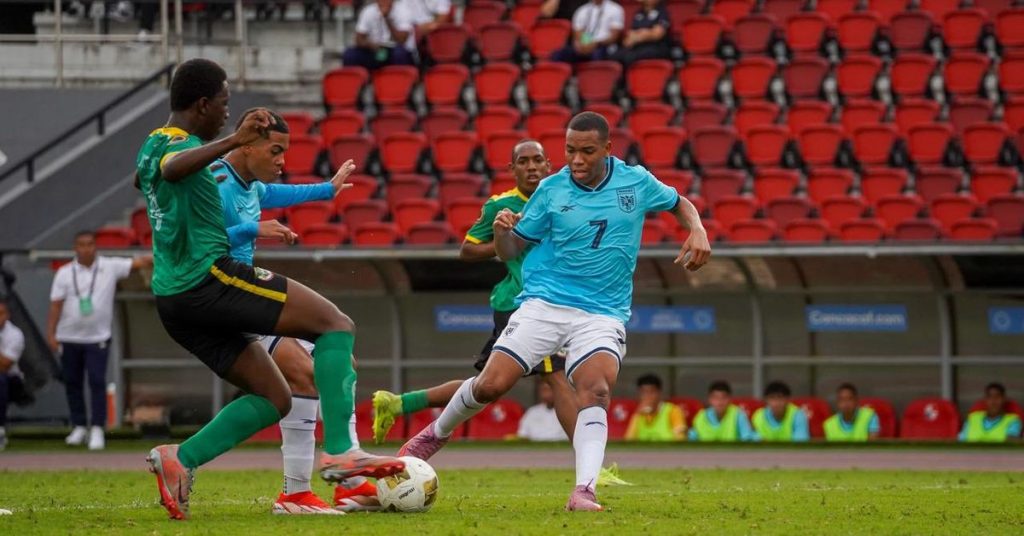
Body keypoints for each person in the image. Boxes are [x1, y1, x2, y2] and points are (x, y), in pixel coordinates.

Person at [397, 112, 711, 512]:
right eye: (569, 151)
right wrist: (501, 233)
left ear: (608, 149)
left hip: (602, 313)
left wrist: (696, 227)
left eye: (587, 151)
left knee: (596, 389)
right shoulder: (551, 190)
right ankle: (434, 434)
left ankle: (584, 491)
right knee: (491, 385)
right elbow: (513, 250)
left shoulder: (635, 181)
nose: (576, 160)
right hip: (544, 304)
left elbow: (679, 201)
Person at [135, 58, 404, 521]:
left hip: (176, 300)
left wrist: (325, 189)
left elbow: (158, 179)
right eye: (223, 102)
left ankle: (182, 458)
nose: (226, 111)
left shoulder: (153, 146)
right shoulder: (184, 148)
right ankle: (341, 455)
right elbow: (176, 168)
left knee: (277, 396)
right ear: (203, 104)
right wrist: (234, 142)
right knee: (335, 325)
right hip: (208, 279)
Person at [213, 108, 380, 514]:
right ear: (246, 144)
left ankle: (326, 485)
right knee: (311, 365)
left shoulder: (249, 183)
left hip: (244, 291)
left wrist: (328, 188)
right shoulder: (215, 182)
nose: (283, 161)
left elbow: (280, 194)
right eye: (276, 150)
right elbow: (200, 243)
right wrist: (254, 229)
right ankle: (333, 476)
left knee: (333, 363)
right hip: (223, 293)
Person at [371, 140, 577, 446]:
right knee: (557, 378)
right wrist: (506, 237)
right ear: (512, 169)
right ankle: (593, 467)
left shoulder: (563, 200)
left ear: (549, 165)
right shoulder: (501, 206)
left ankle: (400, 403)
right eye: (523, 161)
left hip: (550, 302)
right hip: (522, 304)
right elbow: (467, 250)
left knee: (486, 386)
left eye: (537, 160)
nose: (531, 167)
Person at [47, 230, 152, 451]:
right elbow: (55, 306)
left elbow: (138, 262)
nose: (87, 249)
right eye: (82, 244)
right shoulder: (65, 273)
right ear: (75, 248)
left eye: (90, 244)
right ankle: (79, 426)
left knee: (97, 381)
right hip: (68, 337)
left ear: (96, 246)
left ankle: (96, 428)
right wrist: (51, 334)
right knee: (73, 383)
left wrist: (163, 251)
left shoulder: (109, 266)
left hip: (98, 338)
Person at [343, 0, 417, 70]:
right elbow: (358, 39)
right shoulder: (368, 11)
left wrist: (386, 18)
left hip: (395, 49)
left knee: (399, 53)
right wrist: (370, 45)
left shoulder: (403, 11)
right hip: (375, 49)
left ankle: (398, 79)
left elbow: (401, 40)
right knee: (350, 54)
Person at [551, 0, 625, 63]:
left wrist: (596, 43)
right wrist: (585, 43)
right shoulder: (582, 10)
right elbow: (578, 33)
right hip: (585, 43)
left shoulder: (615, 9)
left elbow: (614, 36)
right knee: (559, 54)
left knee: (598, 54)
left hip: (603, 46)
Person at [624, 373, 685, 441]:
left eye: (651, 392)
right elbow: (628, 442)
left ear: (659, 393)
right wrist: (636, 415)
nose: (647, 396)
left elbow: (680, 440)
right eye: (644, 392)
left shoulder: (673, 411)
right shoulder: (638, 415)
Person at [689, 381, 755, 442]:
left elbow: (747, 439)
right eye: (716, 398)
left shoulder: (738, 415)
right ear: (709, 400)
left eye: (723, 398)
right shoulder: (700, 417)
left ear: (729, 399)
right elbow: (693, 439)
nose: (720, 402)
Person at [612, 0, 671, 67]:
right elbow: (632, 32)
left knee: (630, 57)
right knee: (615, 55)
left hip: (655, 46)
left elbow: (657, 34)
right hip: (638, 46)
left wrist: (639, 37)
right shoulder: (639, 13)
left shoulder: (662, 12)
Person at [0, 301, 25, 451]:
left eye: (1, 314)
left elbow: (5, 365)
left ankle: (0, 429)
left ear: (7, 315)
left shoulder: (15, 334)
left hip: (11, 381)